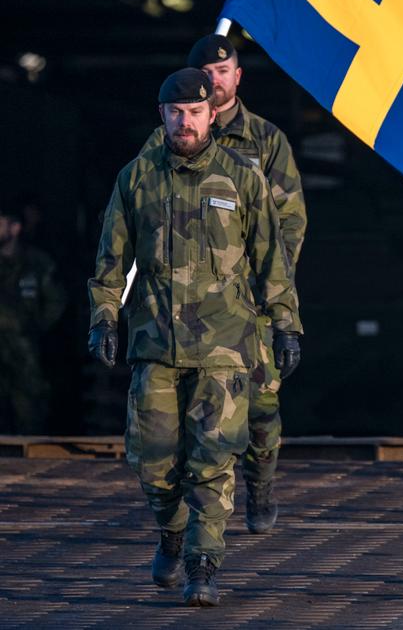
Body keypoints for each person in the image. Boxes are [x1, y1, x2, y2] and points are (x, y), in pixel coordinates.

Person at [88, 68, 301, 606]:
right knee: (153, 462)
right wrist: (104, 317)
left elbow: (271, 259)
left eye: (196, 112)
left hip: (224, 345)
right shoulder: (136, 178)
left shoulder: (242, 177)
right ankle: (171, 531)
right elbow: (112, 261)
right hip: (155, 342)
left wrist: (285, 325)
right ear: (162, 115)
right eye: (176, 112)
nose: (186, 122)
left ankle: (203, 564)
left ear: (211, 115)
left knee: (213, 460)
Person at [143, 34, 307, 532]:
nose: (214, 80)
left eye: (222, 71)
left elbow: (287, 225)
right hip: (187, 306)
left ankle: (260, 483)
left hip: (251, 302)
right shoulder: (165, 141)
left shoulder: (266, 141)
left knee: (261, 405)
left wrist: (269, 294)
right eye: (206, 73)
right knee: (188, 413)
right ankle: (197, 519)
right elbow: (141, 208)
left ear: (237, 76)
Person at [0, 197, 66, 433]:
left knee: (29, 420)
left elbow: (56, 301)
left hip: (27, 358)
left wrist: (32, 327)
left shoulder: (37, 263)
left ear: (14, 228)